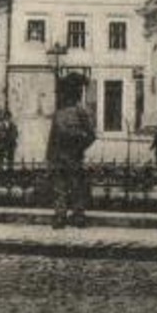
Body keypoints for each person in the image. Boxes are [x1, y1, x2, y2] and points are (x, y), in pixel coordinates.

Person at [46, 76, 96, 229]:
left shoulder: (70, 113)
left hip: (66, 156)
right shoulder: (68, 114)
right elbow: (91, 136)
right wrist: (80, 147)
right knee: (71, 187)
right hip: (69, 157)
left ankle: (68, 216)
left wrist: (50, 157)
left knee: (65, 187)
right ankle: (73, 216)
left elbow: (52, 139)